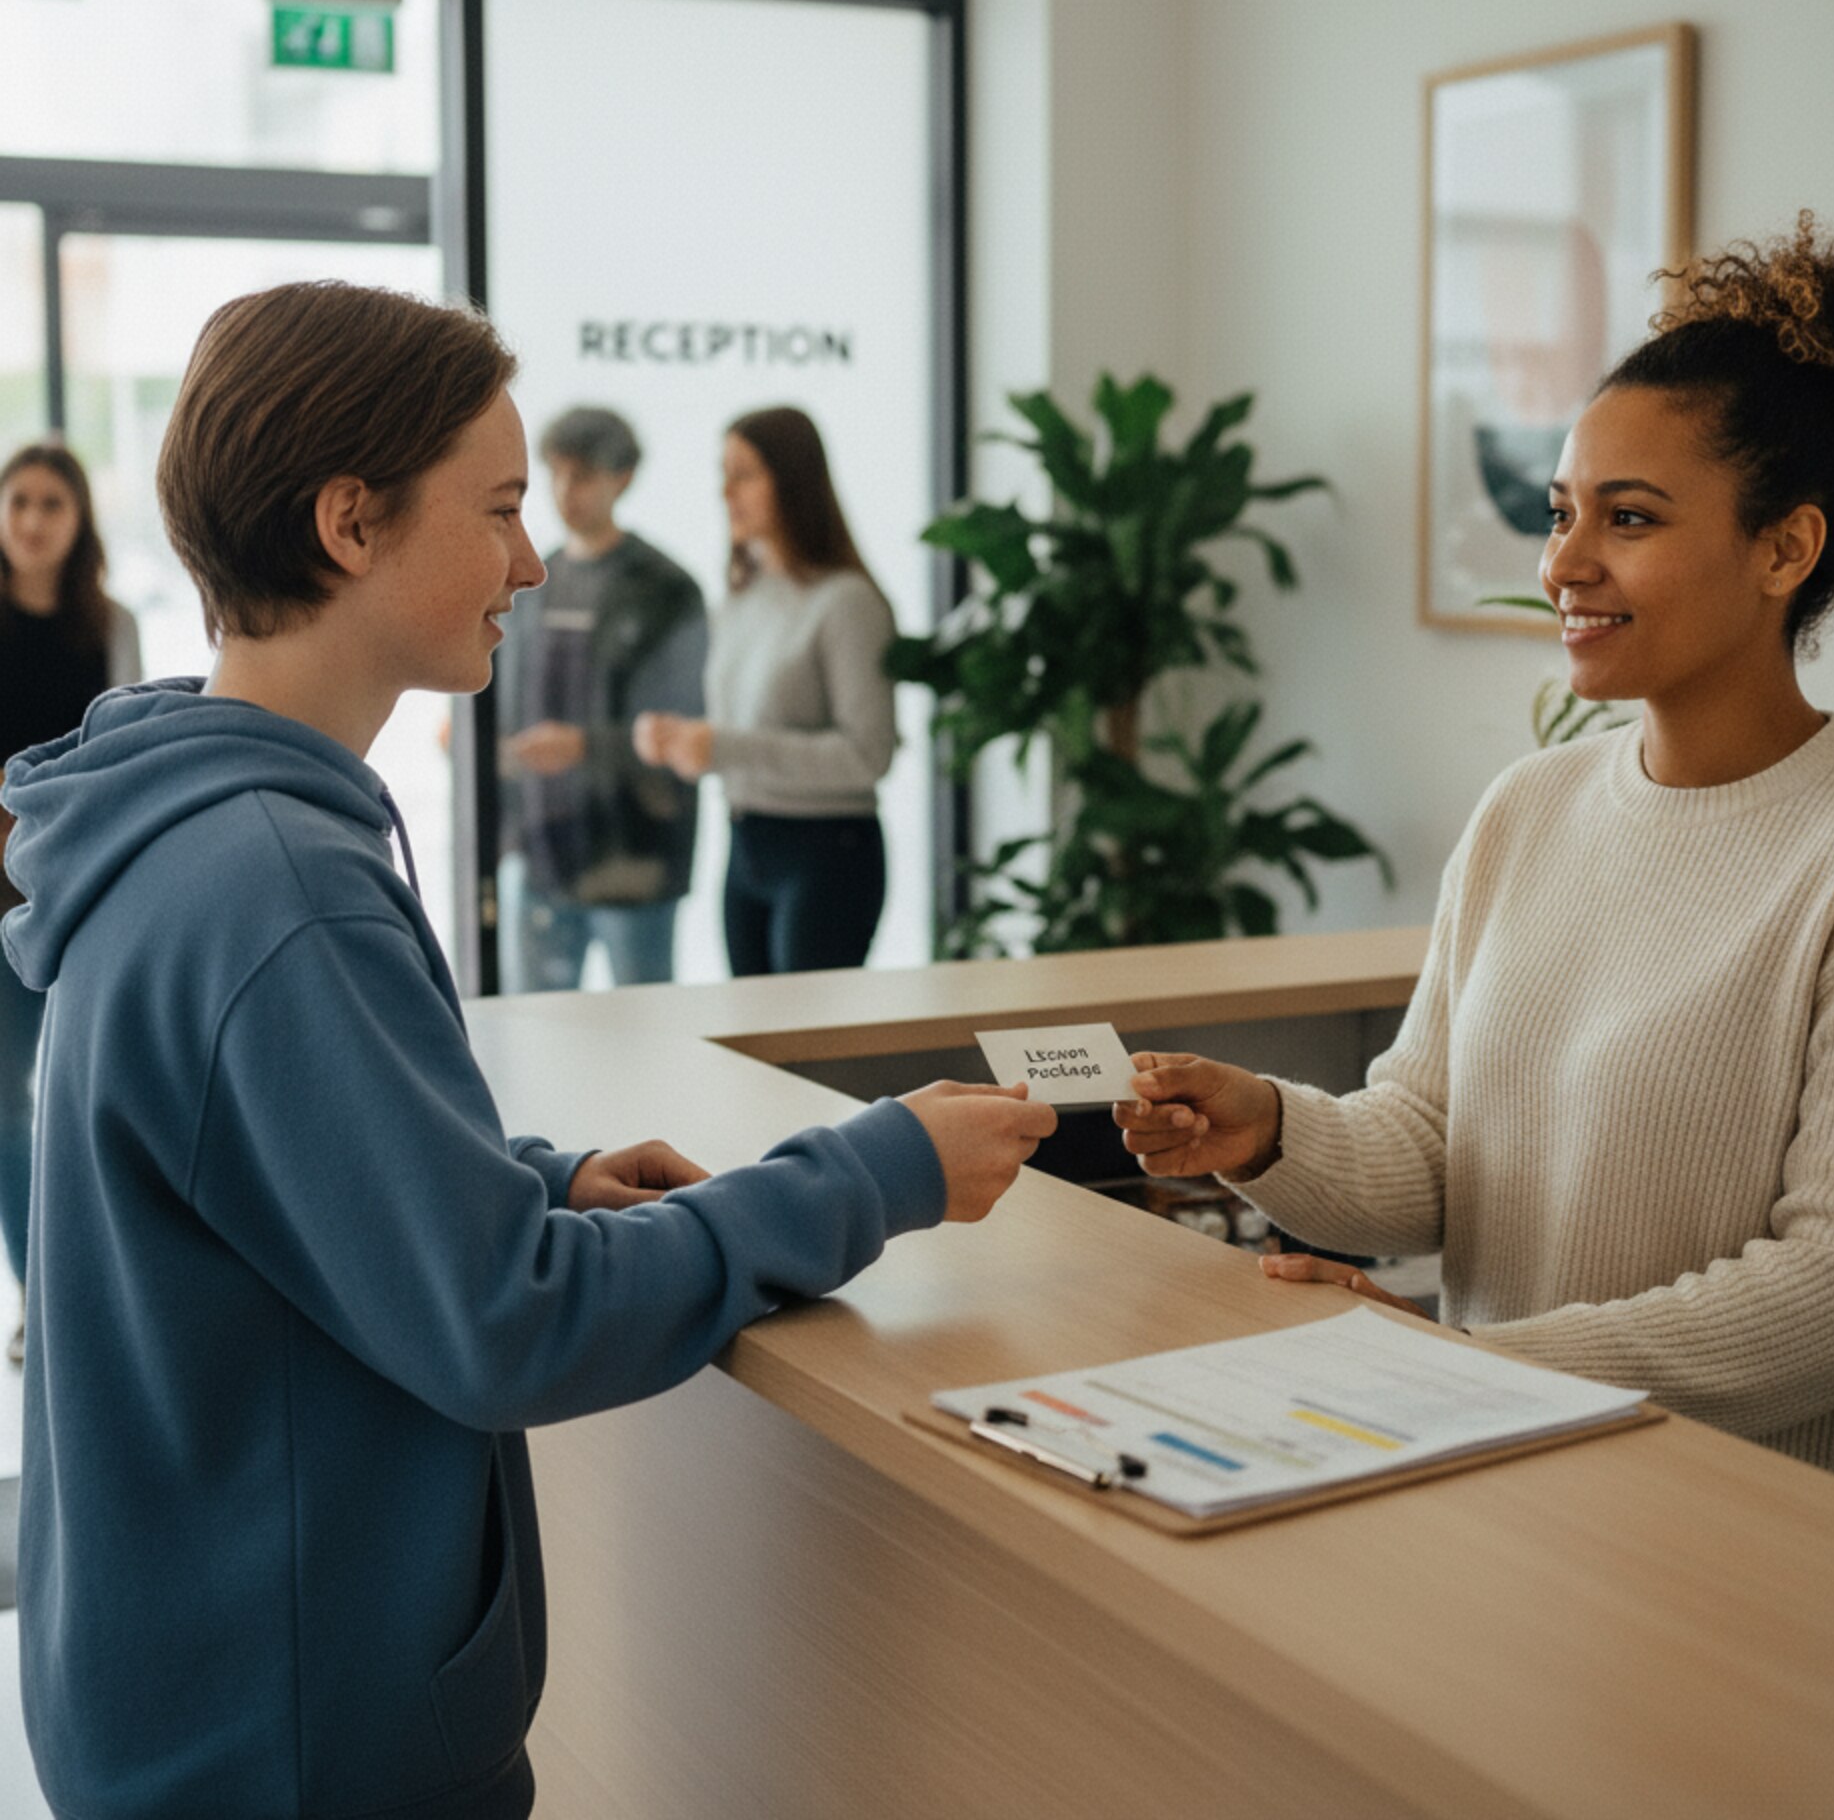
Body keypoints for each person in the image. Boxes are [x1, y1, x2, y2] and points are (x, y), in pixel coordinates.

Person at [0, 280, 1055, 1820]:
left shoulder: (183, 835)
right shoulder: (279, 889)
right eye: (495, 509)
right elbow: (511, 1326)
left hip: (198, 1708)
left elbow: (264, 1181)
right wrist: (881, 1168)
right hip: (294, 1753)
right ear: (351, 522)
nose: (531, 559)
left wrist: (533, 1179)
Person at [1114, 214, 1834, 1507]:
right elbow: (1430, 1150)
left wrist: (1473, 1364)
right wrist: (1270, 1133)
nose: (1562, 566)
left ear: (1784, 550)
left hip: (1777, 1560)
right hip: (1518, 1490)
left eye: (1628, 518)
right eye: (1561, 512)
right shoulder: (1527, 809)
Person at [633, 405, 898, 975]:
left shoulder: (847, 603)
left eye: (745, 473)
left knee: (808, 1047)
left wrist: (722, 747)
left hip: (827, 855)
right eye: (723, 473)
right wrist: (682, 740)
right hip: (746, 845)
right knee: (754, 1041)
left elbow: (868, 755)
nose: (726, 491)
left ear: (793, 481)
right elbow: (738, 726)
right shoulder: (739, 597)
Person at [0, 440, 141, 1367]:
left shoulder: (110, 622)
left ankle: (98, 1286)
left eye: (53, 503)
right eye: (18, 503)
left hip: (81, 888)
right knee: (10, 1107)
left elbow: (121, 752)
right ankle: (39, 1293)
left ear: (79, 518)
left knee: (93, 1096)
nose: (34, 520)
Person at [497, 405, 706, 990]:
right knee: (535, 1036)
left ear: (622, 478)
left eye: (583, 475)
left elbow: (686, 722)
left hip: (632, 860)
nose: (567, 492)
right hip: (542, 852)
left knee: (641, 1042)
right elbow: (508, 693)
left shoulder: (665, 588)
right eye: (557, 474)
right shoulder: (533, 581)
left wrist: (583, 747)